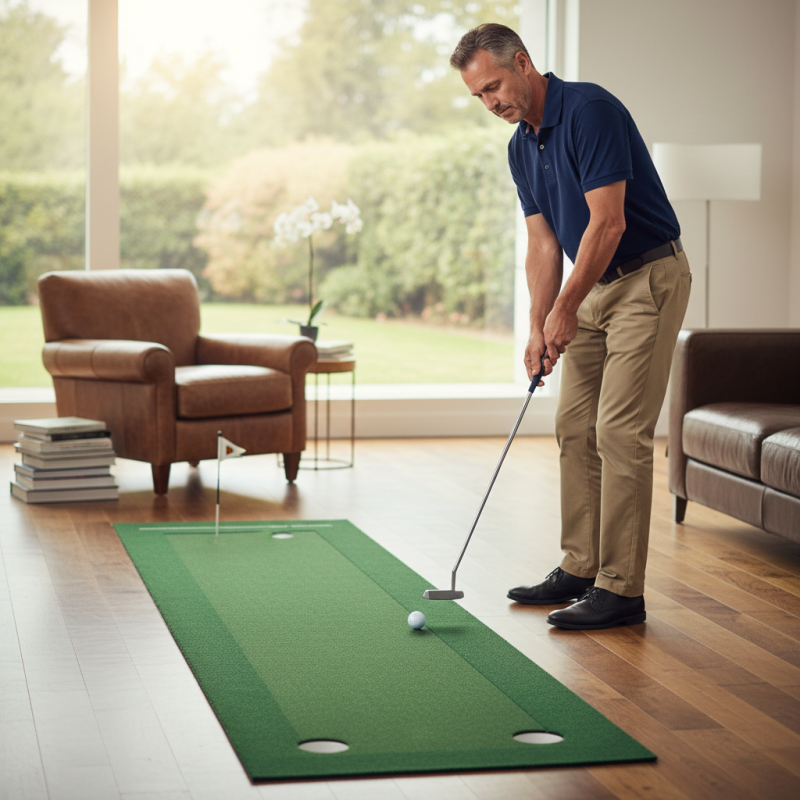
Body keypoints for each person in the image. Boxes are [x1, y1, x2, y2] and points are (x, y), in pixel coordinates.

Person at [450, 23, 691, 630]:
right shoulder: (519, 145)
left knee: (619, 431)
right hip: (593, 285)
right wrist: (538, 325)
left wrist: (564, 310)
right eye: (478, 96)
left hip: (644, 278)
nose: (491, 103)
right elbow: (542, 243)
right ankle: (580, 567)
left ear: (524, 63)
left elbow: (606, 225)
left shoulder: (591, 111)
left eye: (495, 86)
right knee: (574, 426)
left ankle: (621, 590)